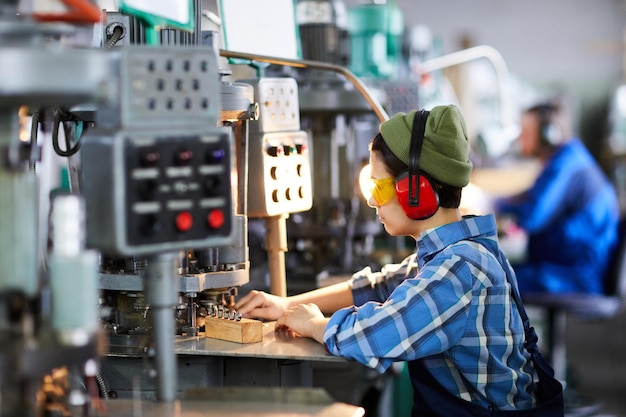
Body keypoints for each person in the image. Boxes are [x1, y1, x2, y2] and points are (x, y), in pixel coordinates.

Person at [236, 105, 554, 415]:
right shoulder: (460, 251)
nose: (373, 200)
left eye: (380, 185)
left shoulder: (458, 270)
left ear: (415, 191)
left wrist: (315, 324)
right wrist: (285, 304)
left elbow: (375, 335)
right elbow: (378, 286)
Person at [494, 101, 620, 295]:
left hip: (574, 276)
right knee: (493, 268)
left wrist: (493, 204)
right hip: (566, 266)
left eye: (526, 131)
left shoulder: (566, 162)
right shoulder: (566, 158)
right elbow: (532, 196)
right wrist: (499, 201)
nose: (521, 137)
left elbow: (532, 216)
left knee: (486, 278)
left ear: (548, 134)